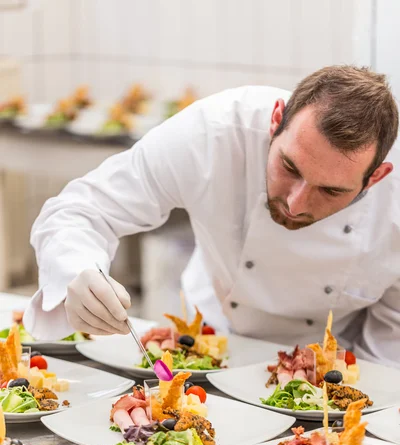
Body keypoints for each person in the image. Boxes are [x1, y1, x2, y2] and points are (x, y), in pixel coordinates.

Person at [25, 65, 400, 367]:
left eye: (330, 190)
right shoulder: (214, 132)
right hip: (209, 341)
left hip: (332, 364)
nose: (296, 203)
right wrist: (79, 271)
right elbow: (81, 209)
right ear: (275, 122)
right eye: (289, 167)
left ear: (376, 177)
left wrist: (345, 398)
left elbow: (391, 343)